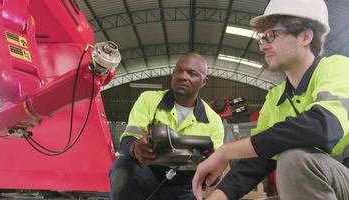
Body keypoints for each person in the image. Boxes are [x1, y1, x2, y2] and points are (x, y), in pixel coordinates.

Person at [192, 0, 349, 200]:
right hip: (322, 188)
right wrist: (219, 196)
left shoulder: (337, 68)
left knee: (294, 159)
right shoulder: (275, 97)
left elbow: (324, 125)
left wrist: (225, 151)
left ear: (305, 36)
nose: (263, 45)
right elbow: (260, 157)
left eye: (271, 35)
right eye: (262, 38)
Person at [109, 52, 224, 200]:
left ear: (203, 81)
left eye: (192, 73)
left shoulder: (213, 120)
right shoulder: (149, 100)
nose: (183, 76)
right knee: (123, 166)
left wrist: (212, 167)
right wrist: (135, 148)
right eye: (178, 70)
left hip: (184, 186)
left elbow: (214, 176)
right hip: (147, 175)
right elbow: (127, 140)